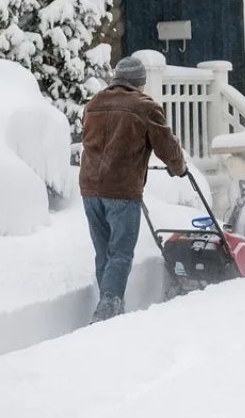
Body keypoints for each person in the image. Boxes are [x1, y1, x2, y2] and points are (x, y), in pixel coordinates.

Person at [79, 56, 187, 323]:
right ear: (140, 82)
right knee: (121, 253)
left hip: (90, 188)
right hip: (121, 190)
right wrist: (179, 166)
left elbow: (90, 141)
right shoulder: (145, 107)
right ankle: (108, 310)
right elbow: (166, 145)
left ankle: (111, 305)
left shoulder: (94, 104)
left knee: (104, 252)